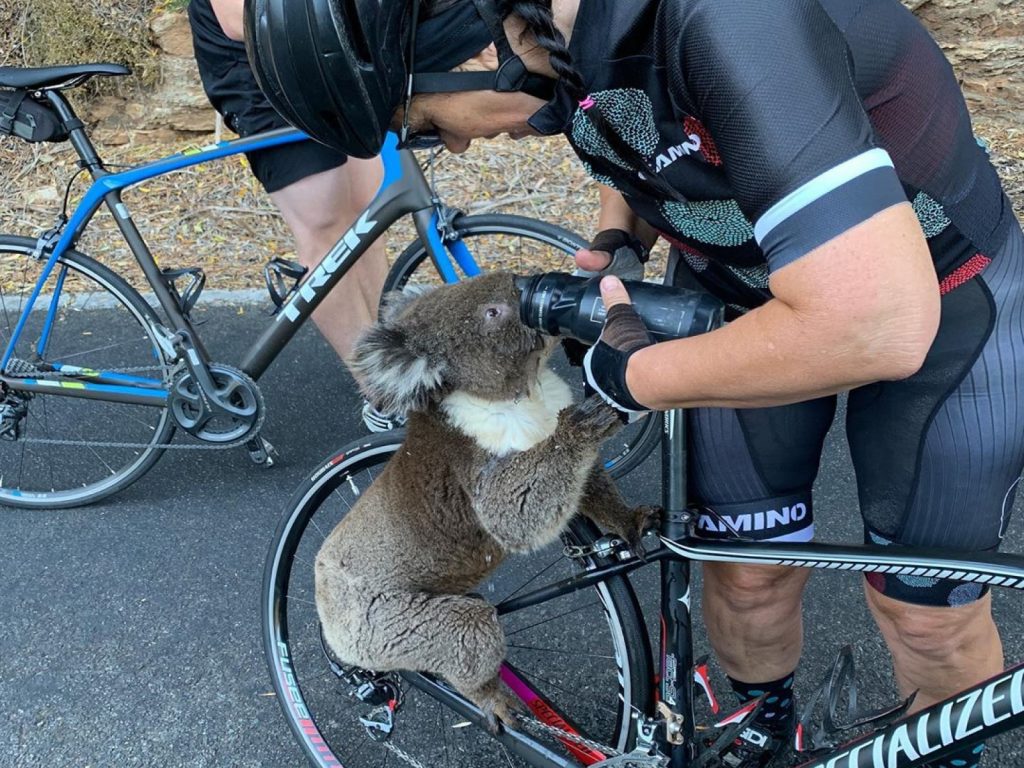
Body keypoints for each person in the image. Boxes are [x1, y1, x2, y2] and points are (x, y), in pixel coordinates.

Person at [245, 1, 1024, 765]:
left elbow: (876, 322)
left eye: (418, 125)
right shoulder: (567, 39)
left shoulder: (731, 19)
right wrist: (623, 230)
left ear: (481, 44)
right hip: (732, 291)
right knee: (746, 577)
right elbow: (641, 122)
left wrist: (634, 376)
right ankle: (762, 729)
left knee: (927, 620)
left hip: (950, 299)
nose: (450, 149)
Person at [186, 0, 397, 431]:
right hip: (259, 73)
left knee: (368, 215)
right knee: (323, 226)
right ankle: (382, 395)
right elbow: (236, 20)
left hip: (321, 62)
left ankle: (387, 358)